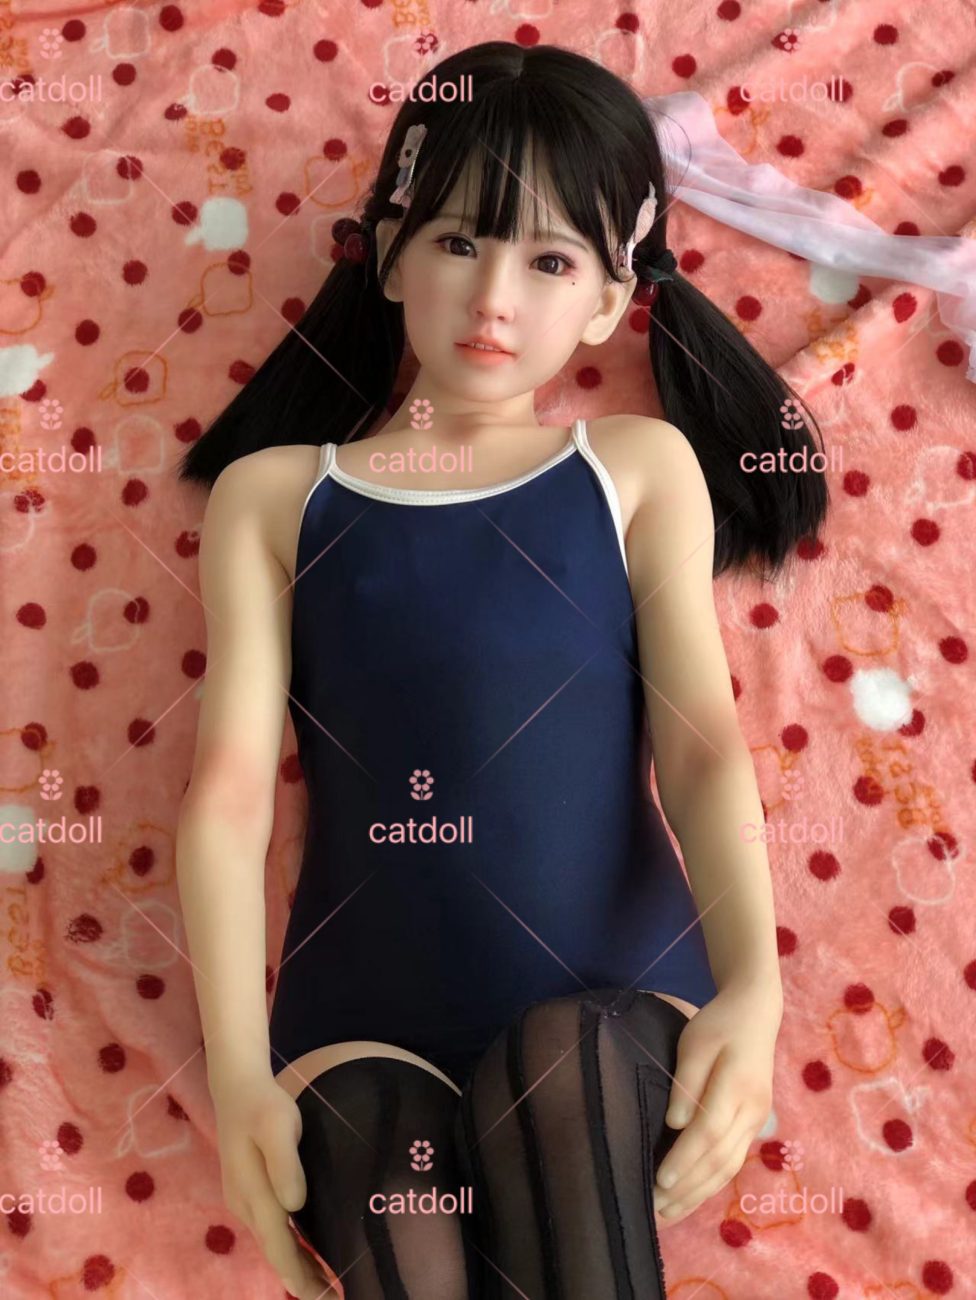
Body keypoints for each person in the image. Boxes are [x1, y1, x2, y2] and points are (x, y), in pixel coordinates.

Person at [175, 40, 823, 1299]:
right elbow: (230, 794)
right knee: (386, 1162)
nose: (493, 298)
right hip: (356, 1028)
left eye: (551, 261)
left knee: (561, 1065)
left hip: (612, 999)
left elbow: (700, 748)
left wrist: (757, 988)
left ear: (609, 300)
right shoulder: (274, 498)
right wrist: (237, 1069)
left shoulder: (633, 469)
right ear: (390, 252)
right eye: (460, 240)